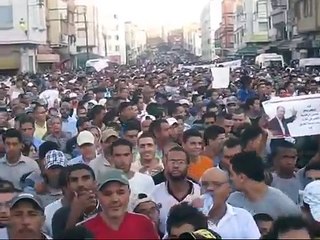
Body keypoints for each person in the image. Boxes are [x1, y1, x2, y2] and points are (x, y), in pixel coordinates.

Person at [81, 168, 159, 239]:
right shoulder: (84, 230)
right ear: (97, 196)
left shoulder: (144, 223)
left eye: (120, 192)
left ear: (129, 193)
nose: (115, 199)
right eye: (107, 194)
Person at [228, 151, 301, 219]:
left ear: (241, 177)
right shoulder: (233, 200)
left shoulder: (284, 206)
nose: (230, 178)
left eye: (231, 174)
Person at [198, 167, 260, 239]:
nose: (209, 188)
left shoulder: (243, 217)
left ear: (229, 188)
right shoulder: (190, 217)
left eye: (217, 184)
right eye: (205, 184)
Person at [151, 146, 201, 234]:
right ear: (165, 164)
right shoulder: (154, 193)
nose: (176, 166)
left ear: (188, 165)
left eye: (181, 162)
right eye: (172, 162)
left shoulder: (200, 192)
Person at [52, 164, 99, 239]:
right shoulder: (60, 215)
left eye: (85, 178)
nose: (80, 184)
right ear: (68, 186)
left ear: (95, 183)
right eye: (74, 180)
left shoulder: (108, 208)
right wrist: (74, 215)